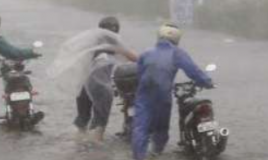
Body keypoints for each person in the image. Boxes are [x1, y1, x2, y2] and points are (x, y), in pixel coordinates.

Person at [131, 22, 213, 160]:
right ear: (177, 38)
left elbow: (139, 74)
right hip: (163, 94)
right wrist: (207, 82)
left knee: (140, 127)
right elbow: (193, 71)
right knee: (161, 127)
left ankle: (139, 157)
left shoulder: (146, 53)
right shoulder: (177, 53)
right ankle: (156, 153)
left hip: (144, 93)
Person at [74, 16, 138, 141]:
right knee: (100, 122)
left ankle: (78, 144)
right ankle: (97, 146)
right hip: (101, 86)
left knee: (82, 119)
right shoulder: (113, 43)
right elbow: (134, 58)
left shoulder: (91, 43)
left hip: (83, 85)